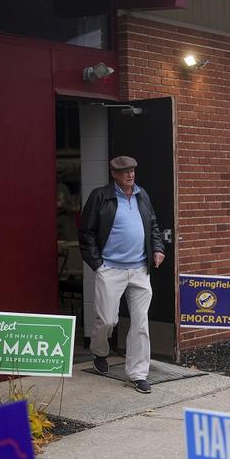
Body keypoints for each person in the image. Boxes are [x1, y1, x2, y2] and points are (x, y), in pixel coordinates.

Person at [79, 156, 165, 394]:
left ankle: (138, 374)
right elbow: (86, 233)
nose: (130, 175)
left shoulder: (141, 195)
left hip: (140, 270)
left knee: (140, 324)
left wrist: (157, 249)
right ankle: (100, 352)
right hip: (110, 269)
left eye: (133, 171)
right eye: (125, 171)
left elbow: (153, 225)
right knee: (107, 320)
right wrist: (98, 264)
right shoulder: (100, 196)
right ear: (114, 174)